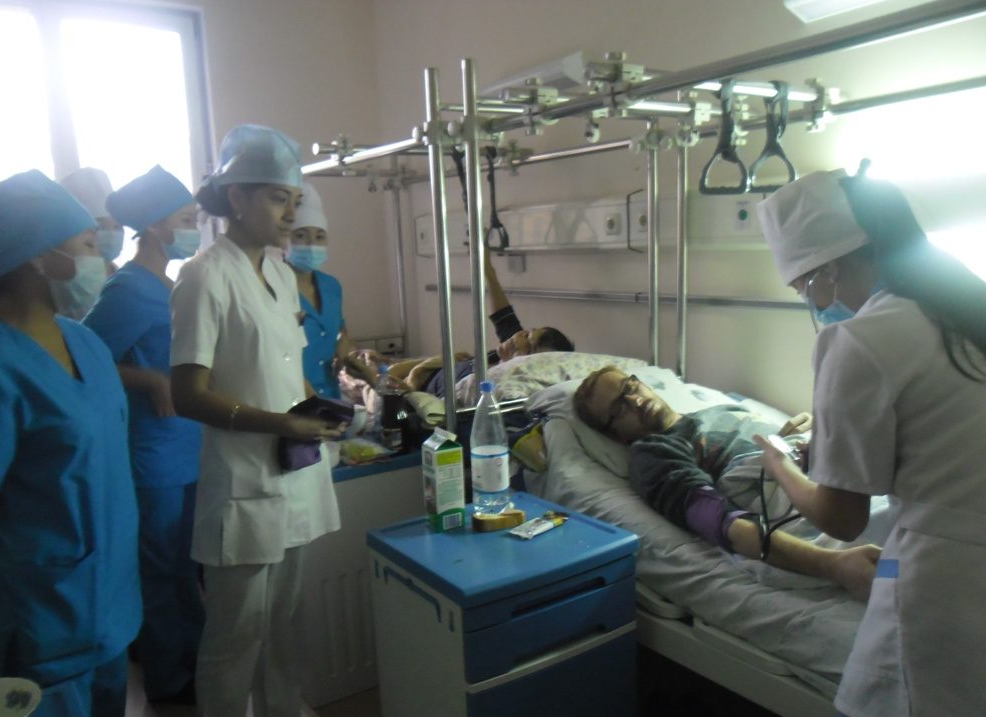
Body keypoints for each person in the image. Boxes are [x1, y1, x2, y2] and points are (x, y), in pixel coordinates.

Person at [754, 170, 986, 717]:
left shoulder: (859, 340)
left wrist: (780, 465)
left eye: (804, 286)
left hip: (941, 604)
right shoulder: (965, 311)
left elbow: (842, 519)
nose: (813, 302)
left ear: (828, 269)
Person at [169, 124, 351, 717]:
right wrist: (280, 424)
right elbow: (188, 394)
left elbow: (291, 368)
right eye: (278, 198)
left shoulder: (277, 274)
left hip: (294, 473)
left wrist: (322, 410)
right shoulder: (203, 277)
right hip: (244, 483)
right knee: (234, 636)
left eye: (294, 200)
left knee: (284, 623)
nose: (290, 213)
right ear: (236, 197)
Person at [0, 170, 142, 717]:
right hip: (38, 614)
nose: (100, 258)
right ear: (40, 257)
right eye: (87, 243)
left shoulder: (83, 341)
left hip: (109, 596)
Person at [573, 365, 881, 599]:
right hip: (818, 510)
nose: (636, 401)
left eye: (630, 387)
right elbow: (722, 522)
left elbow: (771, 452)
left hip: (830, 481)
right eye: (619, 408)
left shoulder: (721, 409)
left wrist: (800, 436)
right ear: (616, 435)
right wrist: (834, 565)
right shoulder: (653, 454)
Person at [83, 165, 204, 705]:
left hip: (186, 442)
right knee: (159, 568)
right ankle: (168, 677)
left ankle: (193, 661)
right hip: (153, 451)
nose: (194, 228)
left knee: (185, 565)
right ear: (156, 226)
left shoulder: (168, 285)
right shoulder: (128, 290)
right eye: (186, 219)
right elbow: (83, 359)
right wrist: (149, 379)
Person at [406, 256, 575, 395]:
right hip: (426, 371)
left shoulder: (496, 384)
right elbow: (503, 315)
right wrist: (486, 267)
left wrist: (408, 390)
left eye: (530, 347)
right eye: (527, 333)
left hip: (417, 392)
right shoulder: (507, 352)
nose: (519, 336)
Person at [285, 180, 380, 396]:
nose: (311, 244)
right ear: (284, 240)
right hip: (293, 401)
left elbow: (341, 335)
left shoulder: (331, 287)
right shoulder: (273, 289)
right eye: (300, 235)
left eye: (319, 236)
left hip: (330, 397)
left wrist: (355, 362)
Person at [58, 167, 127, 268]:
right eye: (99, 227)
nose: (112, 235)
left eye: (117, 226)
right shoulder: (71, 277)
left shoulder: (120, 274)